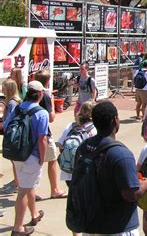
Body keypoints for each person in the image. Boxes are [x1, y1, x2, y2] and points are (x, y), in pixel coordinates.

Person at [72, 101, 147, 234]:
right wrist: (146, 184)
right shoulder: (121, 155)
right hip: (117, 228)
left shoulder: (83, 147)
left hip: (91, 224)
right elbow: (131, 194)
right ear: (115, 120)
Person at [3, 81, 49, 235]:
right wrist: (42, 158)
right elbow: (42, 139)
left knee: (28, 184)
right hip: (32, 156)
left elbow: (6, 126)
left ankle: (34, 214)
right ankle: (18, 228)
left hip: (17, 154)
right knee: (23, 190)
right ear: (40, 94)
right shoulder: (42, 113)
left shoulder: (17, 108)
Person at [34, 70, 67, 199]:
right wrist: (52, 103)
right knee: (51, 160)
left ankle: (31, 190)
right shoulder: (46, 96)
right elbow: (51, 117)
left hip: (33, 132)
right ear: (47, 81)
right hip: (44, 133)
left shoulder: (30, 94)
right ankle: (54, 189)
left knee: (35, 161)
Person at [57, 100, 97, 185]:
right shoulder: (94, 129)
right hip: (84, 172)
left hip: (68, 170)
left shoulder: (71, 126)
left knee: (72, 195)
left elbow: (60, 145)